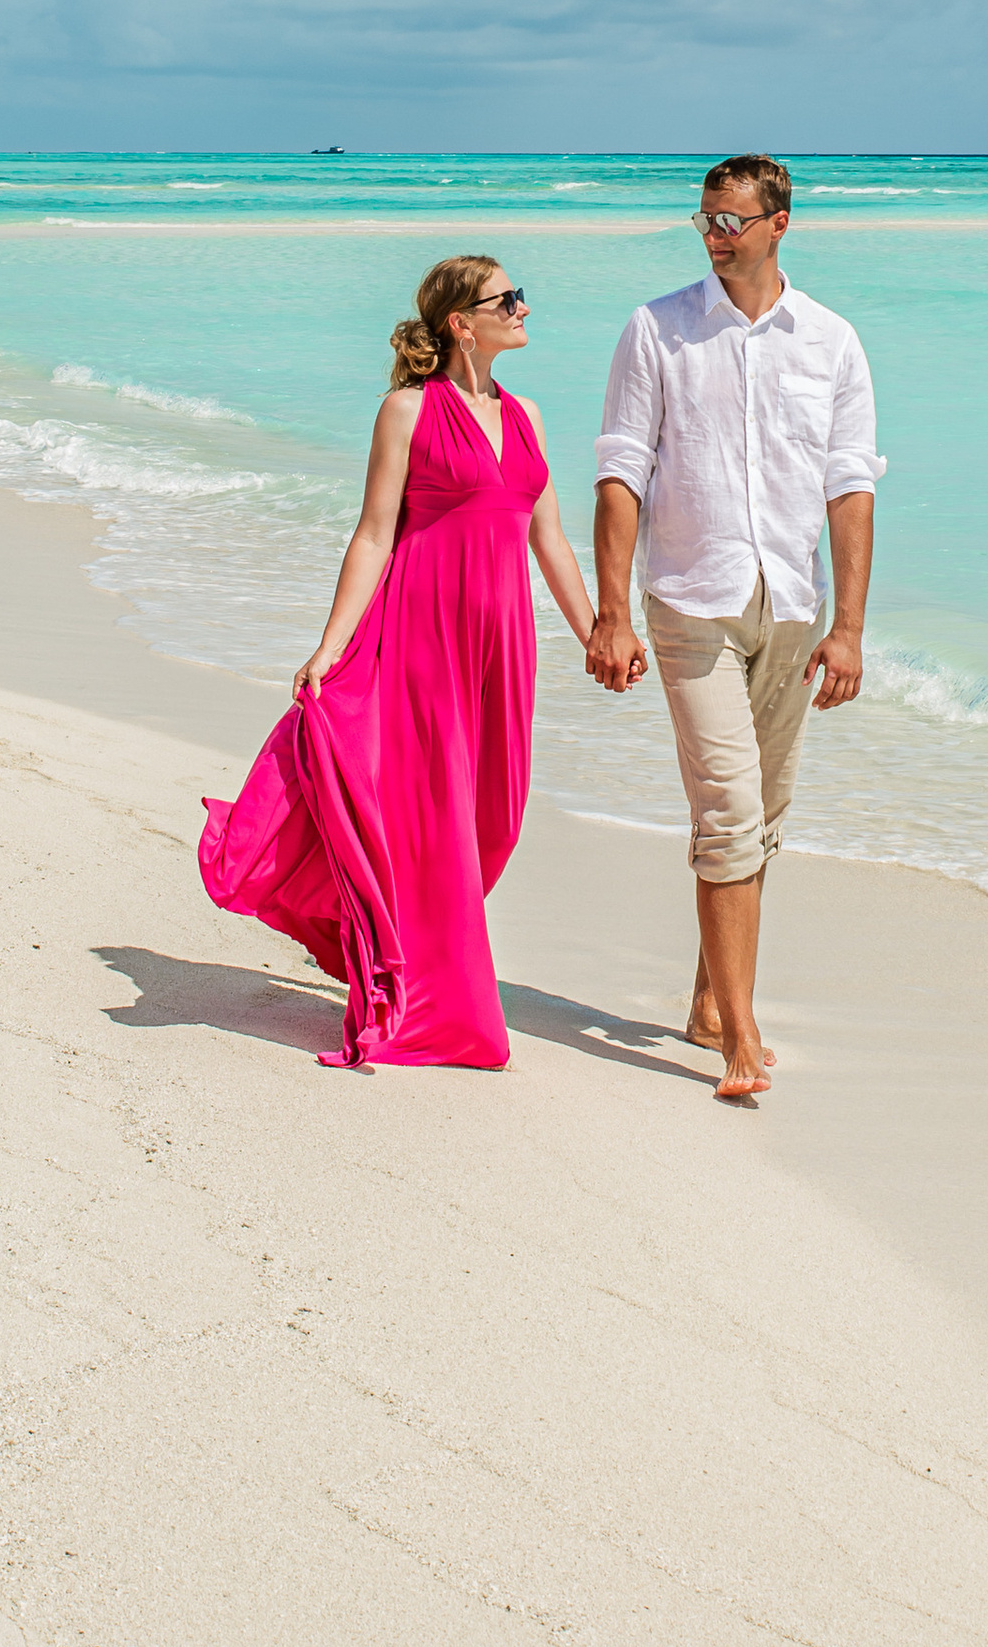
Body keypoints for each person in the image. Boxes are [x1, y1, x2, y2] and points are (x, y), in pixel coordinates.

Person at [199, 254, 603, 1068]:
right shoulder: (408, 411)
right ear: (463, 322)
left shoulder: (527, 416)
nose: (524, 307)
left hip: (502, 648)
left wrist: (598, 631)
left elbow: (548, 537)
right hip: (418, 637)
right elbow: (375, 534)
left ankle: (402, 956)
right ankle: (434, 1005)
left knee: (493, 818)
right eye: (508, 299)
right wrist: (331, 644)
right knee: (436, 822)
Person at [589, 154, 883, 1102]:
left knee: (764, 823)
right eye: (705, 220)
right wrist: (610, 610)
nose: (715, 236)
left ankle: (713, 998)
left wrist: (850, 628)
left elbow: (850, 489)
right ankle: (740, 1039)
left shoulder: (832, 341)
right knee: (728, 813)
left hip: (791, 612)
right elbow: (621, 473)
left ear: (779, 222)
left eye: (731, 221)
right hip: (689, 602)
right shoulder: (658, 330)